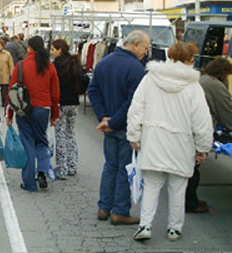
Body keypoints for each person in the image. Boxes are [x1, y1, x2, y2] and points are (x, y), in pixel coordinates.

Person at [127, 42, 213, 242]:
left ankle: (145, 225)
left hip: (154, 140)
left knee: (151, 185)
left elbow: (136, 109)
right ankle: (174, 228)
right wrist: (202, 147)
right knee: (177, 188)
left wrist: (134, 136)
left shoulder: (150, 79)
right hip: (181, 144)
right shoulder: (193, 86)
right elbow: (201, 120)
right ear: (190, 60)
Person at [87, 30, 150, 225]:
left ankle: (104, 207)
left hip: (109, 126)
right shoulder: (137, 69)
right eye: (146, 48)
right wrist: (113, 121)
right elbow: (134, 103)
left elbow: (93, 91)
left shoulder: (104, 62)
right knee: (124, 168)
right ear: (136, 44)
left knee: (110, 166)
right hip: (125, 127)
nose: (146, 53)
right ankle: (120, 211)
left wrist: (104, 117)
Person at [7, 36, 60, 192]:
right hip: (43, 108)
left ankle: (29, 183)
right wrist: (55, 115)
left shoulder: (21, 66)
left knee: (28, 142)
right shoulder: (49, 67)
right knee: (41, 141)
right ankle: (43, 170)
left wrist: (10, 114)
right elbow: (55, 94)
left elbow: (12, 92)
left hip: (24, 110)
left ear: (29, 48)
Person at [186, 57, 232, 213]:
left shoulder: (202, 78)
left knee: (187, 167)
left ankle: (185, 201)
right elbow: (228, 113)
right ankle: (190, 203)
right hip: (199, 130)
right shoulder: (215, 85)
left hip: (187, 128)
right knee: (193, 168)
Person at [51, 39, 89, 180]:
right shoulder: (74, 62)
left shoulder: (55, 66)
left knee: (60, 134)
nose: (52, 52)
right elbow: (85, 79)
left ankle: (62, 168)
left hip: (60, 103)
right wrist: (78, 91)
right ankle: (72, 165)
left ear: (60, 49)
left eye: (54, 49)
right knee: (70, 133)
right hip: (73, 103)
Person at [0, 39, 14, 107]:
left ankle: (4, 103)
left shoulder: (7, 54)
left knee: (4, 91)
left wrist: (12, 75)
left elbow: (11, 65)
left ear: (2, 46)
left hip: (5, 75)